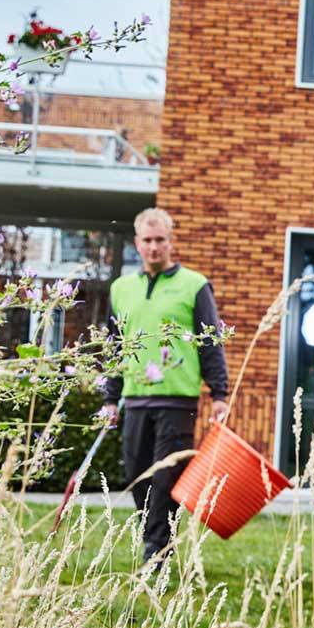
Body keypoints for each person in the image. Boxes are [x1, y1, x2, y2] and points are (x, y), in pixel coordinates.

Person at [100, 207, 231, 564]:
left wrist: (219, 394)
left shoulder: (194, 285)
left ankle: (155, 552)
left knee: (165, 476)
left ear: (171, 242)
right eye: (147, 240)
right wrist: (110, 398)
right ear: (137, 244)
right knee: (136, 474)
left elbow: (210, 341)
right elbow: (114, 347)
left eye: (160, 240)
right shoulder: (121, 288)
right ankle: (155, 536)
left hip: (178, 399)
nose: (154, 247)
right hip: (136, 398)